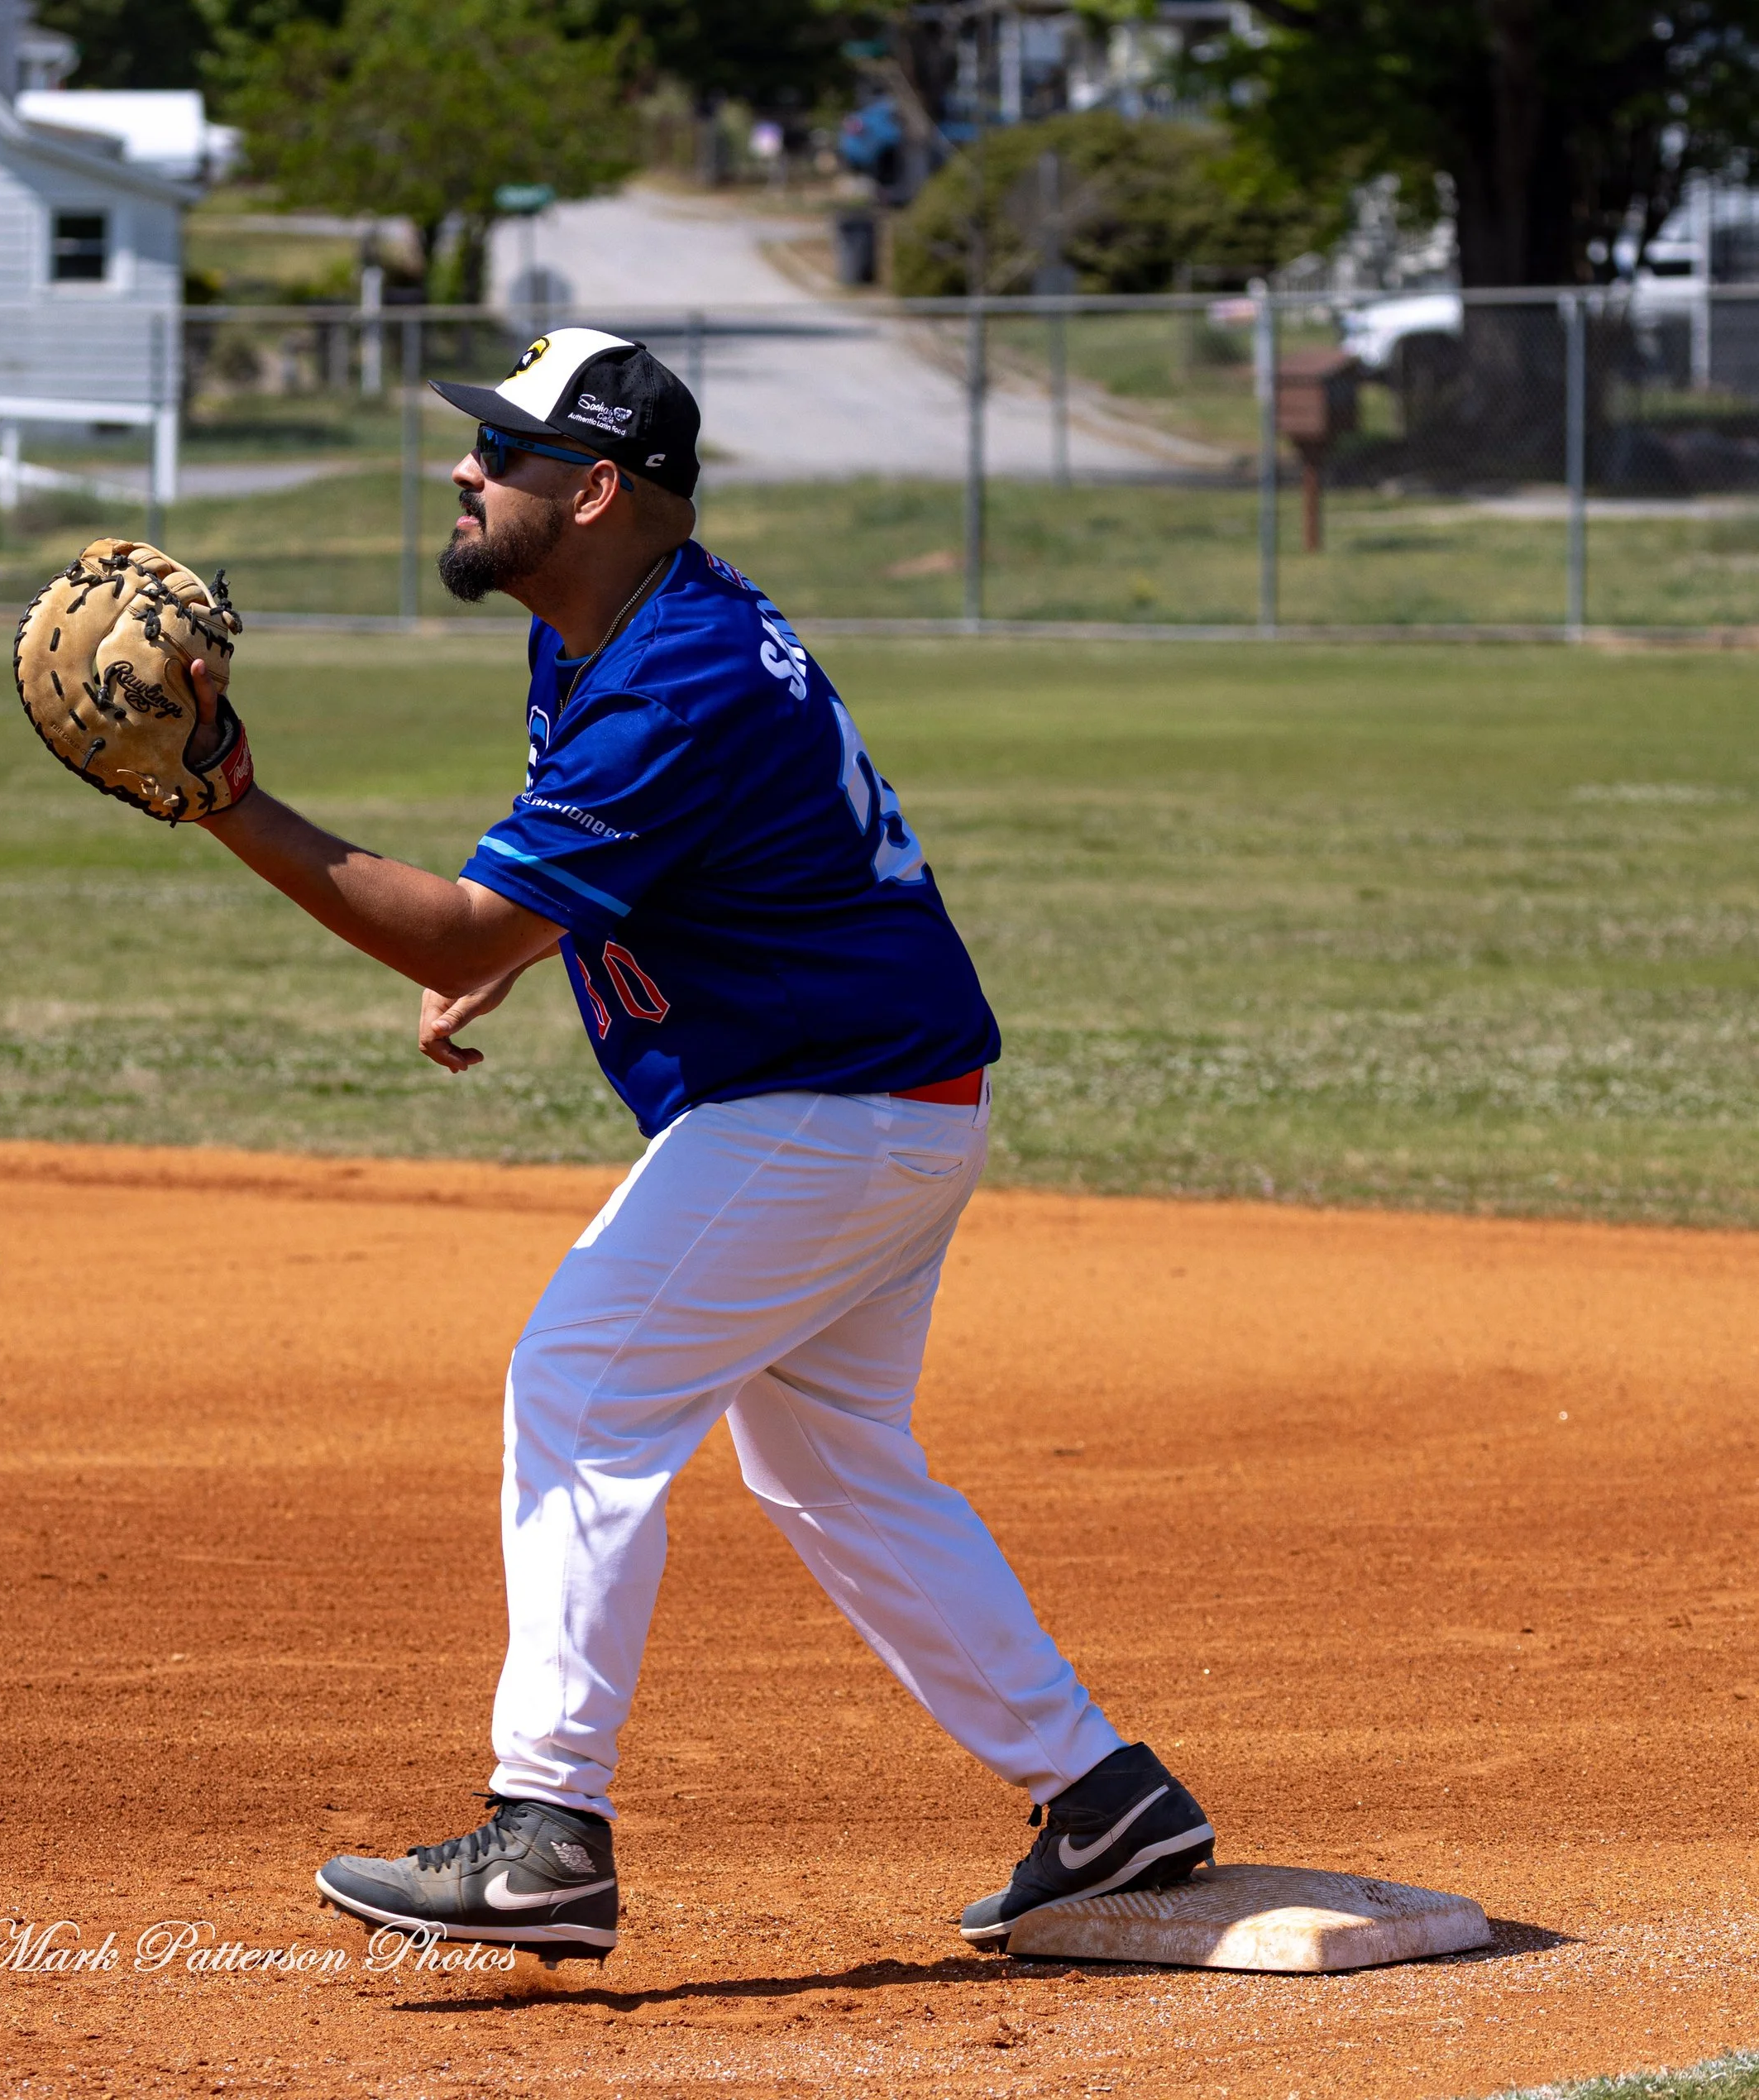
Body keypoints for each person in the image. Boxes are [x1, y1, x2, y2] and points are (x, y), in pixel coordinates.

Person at [183, 328, 1214, 1962]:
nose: (463, 468)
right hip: (877, 1103)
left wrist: (225, 793)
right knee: (832, 1466)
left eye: (502, 450)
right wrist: (520, 946)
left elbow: (459, 923)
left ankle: (546, 1831)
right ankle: (1102, 1796)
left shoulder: (678, 675)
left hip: (829, 1110)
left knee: (579, 1388)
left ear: (595, 491)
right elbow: (582, 884)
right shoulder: (614, 622)